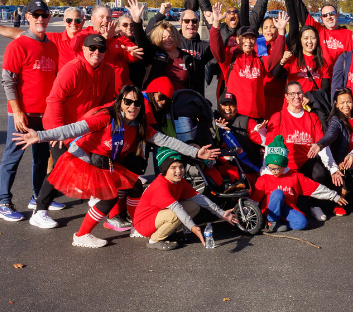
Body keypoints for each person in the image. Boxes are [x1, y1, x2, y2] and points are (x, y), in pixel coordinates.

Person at [15, 86, 220, 247]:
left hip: (105, 160)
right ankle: (82, 235)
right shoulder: (107, 118)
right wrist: (39, 136)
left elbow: (166, 140)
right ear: (120, 102)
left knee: (135, 186)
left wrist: (196, 152)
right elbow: (75, 128)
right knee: (109, 195)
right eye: (127, 101)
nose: (132, 106)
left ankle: (137, 226)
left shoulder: (139, 126)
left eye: (137, 103)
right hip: (84, 157)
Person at [0, 0, 59, 221]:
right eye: (35, 15)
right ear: (27, 17)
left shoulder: (51, 46)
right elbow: (8, 81)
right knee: (13, 156)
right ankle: (3, 203)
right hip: (23, 114)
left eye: (44, 15)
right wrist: (17, 111)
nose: (40, 19)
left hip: (44, 114)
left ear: (49, 17)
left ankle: (38, 197)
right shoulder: (17, 45)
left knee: (41, 158)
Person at [254, 81, 339, 221]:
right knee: (292, 205)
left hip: (305, 162)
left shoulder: (312, 117)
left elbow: (322, 146)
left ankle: (315, 206)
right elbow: (270, 147)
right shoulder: (278, 117)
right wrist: (266, 169)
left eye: (299, 93)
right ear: (286, 96)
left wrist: (333, 168)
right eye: (292, 93)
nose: (296, 97)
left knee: (319, 173)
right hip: (286, 165)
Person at [132, 148, 238, 250]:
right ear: (165, 169)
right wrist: (193, 227)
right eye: (173, 167)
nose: (178, 171)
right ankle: (154, 240)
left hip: (159, 216)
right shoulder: (161, 186)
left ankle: (168, 233)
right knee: (176, 214)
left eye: (181, 167)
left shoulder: (180, 181)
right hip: (144, 223)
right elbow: (177, 209)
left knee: (194, 206)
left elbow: (200, 198)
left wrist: (221, 213)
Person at [251, 135, 349, 232]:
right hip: (270, 211)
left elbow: (315, 188)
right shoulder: (264, 178)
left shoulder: (295, 176)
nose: (274, 171)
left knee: (302, 223)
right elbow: (254, 200)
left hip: (287, 208)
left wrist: (335, 197)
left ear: (284, 165)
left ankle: (279, 225)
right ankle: (272, 222)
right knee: (278, 193)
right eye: (271, 168)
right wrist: (249, 218)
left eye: (277, 168)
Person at [210, 3, 288, 120]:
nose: (248, 41)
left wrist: (281, 32)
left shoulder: (260, 60)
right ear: (238, 40)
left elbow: (275, 57)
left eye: (252, 38)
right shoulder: (230, 59)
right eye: (244, 38)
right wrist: (216, 24)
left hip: (257, 116)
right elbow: (216, 48)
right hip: (235, 116)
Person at [317, 89, 353, 214]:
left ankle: (342, 196)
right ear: (336, 104)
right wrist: (320, 144)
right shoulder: (336, 121)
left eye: (348, 102)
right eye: (341, 103)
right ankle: (338, 202)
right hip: (343, 164)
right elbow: (330, 135)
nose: (345, 105)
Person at [132, 0, 204, 93]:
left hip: (181, 99)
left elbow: (195, 85)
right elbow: (142, 41)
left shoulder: (188, 58)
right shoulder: (154, 54)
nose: (168, 39)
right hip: (157, 99)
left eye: (171, 36)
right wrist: (137, 22)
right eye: (163, 37)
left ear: (176, 37)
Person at [285, 0, 353, 75]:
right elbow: (303, 13)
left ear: (337, 15)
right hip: (321, 77)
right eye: (325, 15)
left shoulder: (349, 34)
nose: (329, 17)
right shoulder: (318, 30)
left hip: (341, 79)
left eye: (332, 14)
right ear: (321, 18)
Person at [0, 6, 84, 65]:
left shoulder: (90, 40)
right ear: (64, 21)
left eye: (77, 20)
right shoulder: (54, 39)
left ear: (83, 21)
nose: (73, 23)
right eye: (69, 20)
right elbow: (19, 34)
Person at [270, 24, 332, 122]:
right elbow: (276, 75)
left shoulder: (321, 62)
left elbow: (326, 87)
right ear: (300, 40)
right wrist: (282, 61)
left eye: (313, 38)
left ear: (317, 40)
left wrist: (310, 97)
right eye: (306, 38)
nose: (309, 41)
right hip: (292, 107)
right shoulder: (293, 58)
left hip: (312, 108)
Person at [215, 91, 264, 173]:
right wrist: (215, 128)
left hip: (246, 169)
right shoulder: (211, 121)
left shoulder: (247, 122)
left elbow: (264, 141)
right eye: (224, 105)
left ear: (236, 107)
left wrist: (262, 131)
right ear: (218, 106)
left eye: (231, 105)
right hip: (220, 167)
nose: (228, 108)